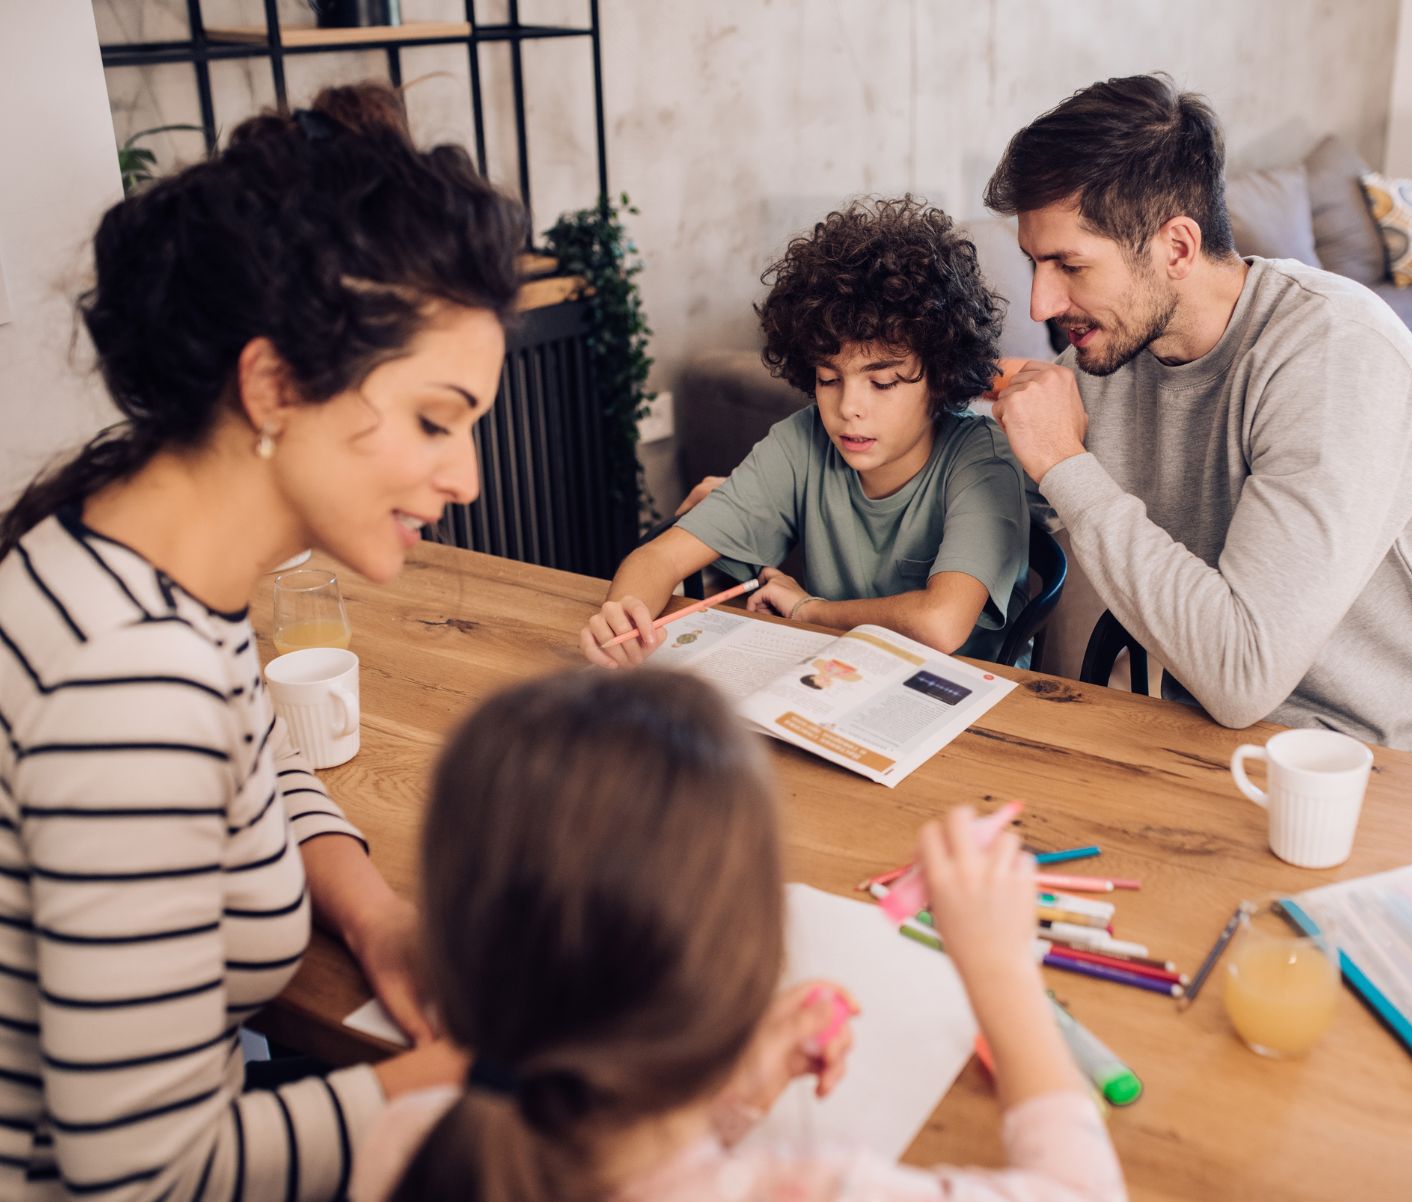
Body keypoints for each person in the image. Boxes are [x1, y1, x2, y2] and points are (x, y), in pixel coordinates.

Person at [0, 83, 523, 1198]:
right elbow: (150, 1176)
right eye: (436, 419)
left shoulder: (144, 548)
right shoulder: (128, 680)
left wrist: (375, 914)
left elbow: (262, 757)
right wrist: (480, 1078)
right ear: (275, 383)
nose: (467, 477)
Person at [347, 668, 1126, 1202]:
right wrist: (1000, 971)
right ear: (745, 971)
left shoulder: (407, 1139)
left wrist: (724, 1105)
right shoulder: (803, 1187)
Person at [982, 74, 1412, 772]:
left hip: (1402, 770)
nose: (1040, 304)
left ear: (1176, 248)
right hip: (1216, 751)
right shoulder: (1112, 348)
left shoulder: (1334, 356)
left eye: (1070, 265)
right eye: (1035, 262)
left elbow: (1242, 675)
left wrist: (1063, 463)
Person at [581, 197, 1030, 666]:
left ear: (940, 379)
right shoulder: (803, 440)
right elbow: (658, 558)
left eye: (882, 382)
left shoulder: (981, 460)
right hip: (840, 682)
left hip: (969, 702)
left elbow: (940, 624)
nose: (848, 409)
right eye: (828, 379)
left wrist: (814, 611)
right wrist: (622, 617)